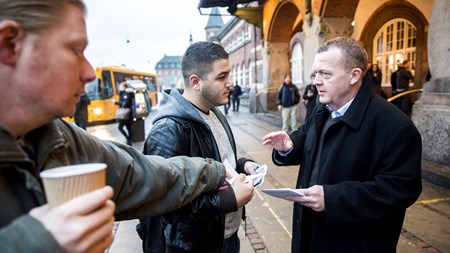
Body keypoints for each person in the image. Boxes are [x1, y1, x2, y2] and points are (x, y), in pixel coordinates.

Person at [0, 1, 229, 252]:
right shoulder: (169, 126)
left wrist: (218, 170)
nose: (88, 72)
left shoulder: (56, 135)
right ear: (10, 44)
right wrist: (35, 243)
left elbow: (140, 174)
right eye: (76, 49)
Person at [262, 37, 422, 253]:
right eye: (315, 74)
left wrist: (333, 198)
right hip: (309, 234)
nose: (317, 81)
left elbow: (401, 189)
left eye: (325, 74)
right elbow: (306, 136)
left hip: (354, 242)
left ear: (354, 75)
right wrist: (289, 146)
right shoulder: (323, 108)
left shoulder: (395, 126)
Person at [137, 41, 256, 253]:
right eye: (221, 77)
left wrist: (243, 165)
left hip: (225, 237)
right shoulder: (168, 130)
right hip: (193, 245)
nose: (231, 83)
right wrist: (228, 200)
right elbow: (167, 207)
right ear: (195, 82)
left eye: (229, 75)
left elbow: (219, 160)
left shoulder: (215, 112)